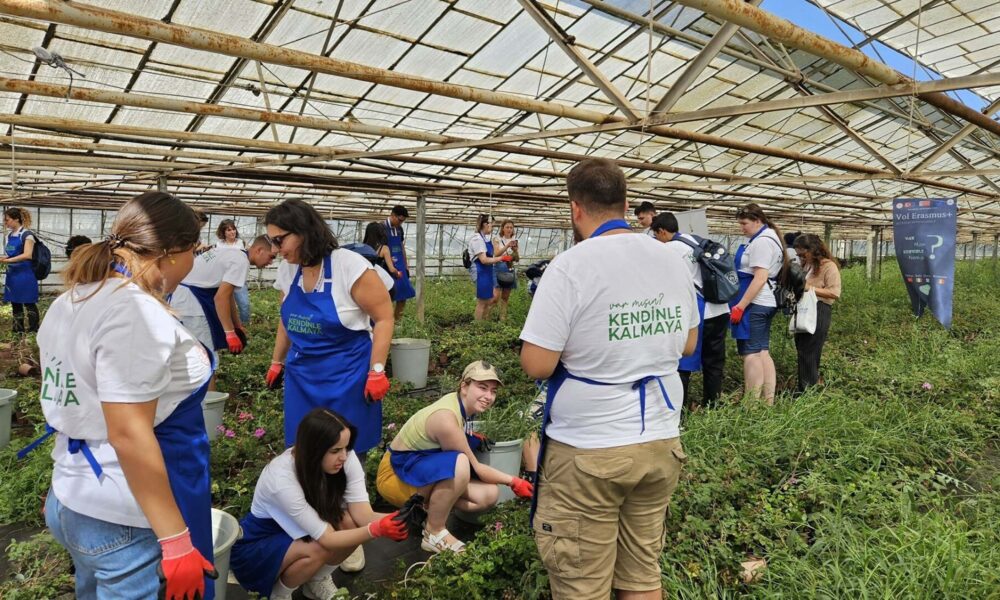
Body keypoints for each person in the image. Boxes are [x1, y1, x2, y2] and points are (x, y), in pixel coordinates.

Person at [520, 158, 698, 600]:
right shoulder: (672, 259)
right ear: (625, 202)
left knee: (582, 583)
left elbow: (537, 363)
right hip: (661, 441)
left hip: (590, 450)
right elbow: (688, 344)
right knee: (641, 574)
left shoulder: (571, 265)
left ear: (575, 208)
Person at [27, 191, 217, 599]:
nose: (194, 262)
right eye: (194, 251)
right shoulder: (134, 314)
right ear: (171, 253)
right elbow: (128, 433)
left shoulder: (74, 298)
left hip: (77, 494)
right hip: (124, 515)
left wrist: (66, 488)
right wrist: (176, 541)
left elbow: (77, 399)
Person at [230, 408, 408, 600]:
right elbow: (328, 539)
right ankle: (279, 595)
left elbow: (363, 515)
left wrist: (400, 517)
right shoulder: (281, 479)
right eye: (335, 451)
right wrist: (376, 529)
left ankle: (317, 580)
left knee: (352, 524)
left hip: (306, 531)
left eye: (346, 447)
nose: (344, 456)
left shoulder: (344, 457)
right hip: (261, 542)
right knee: (318, 548)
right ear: (313, 451)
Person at [265, 199, 393, 454]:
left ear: (303, 232)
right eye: (271, 241)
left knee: (347, 450)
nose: (275, 249)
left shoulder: (349, 265)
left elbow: (384, 318)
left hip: (347, 376)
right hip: (302, 377)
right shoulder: (288, 270)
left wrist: (377, 370)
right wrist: (276, 361)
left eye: (279, 240)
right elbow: (287, 320)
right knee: (306, 448)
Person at [376, 361, 533, 554]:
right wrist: (514, 481)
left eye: (493, 391)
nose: (488, 396)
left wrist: (469, 437)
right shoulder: (446, 418)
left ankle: (428, 512)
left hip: (418, 470)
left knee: (488, 495)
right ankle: (434, 532)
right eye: (482, 387)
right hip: (393, 476)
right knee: (460, 462)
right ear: (464, 386)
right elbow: (476, 468)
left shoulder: (460, 404)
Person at [650, 212, 729, 410]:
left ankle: (681, 410)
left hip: (697, 311)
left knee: (684, 361)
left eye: (656, 235)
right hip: (720, 308)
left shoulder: (670, 249)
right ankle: (712, 407)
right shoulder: (694, 240)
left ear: (661, 231)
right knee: (714, 362)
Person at [168, 239, 259, 376]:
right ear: (259, 250)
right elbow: (221, 298)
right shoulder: (241, 261)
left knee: (187, 352)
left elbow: (228, 295)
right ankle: (206, 389)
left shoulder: (232, 253)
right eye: (271, 257)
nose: (270, 262)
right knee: (206, 360)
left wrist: (237, 325)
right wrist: (230, 333)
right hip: (192, 306)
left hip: (183, 299)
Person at [729, 203, 786, 405]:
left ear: (757, 221)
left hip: (755, 303)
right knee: (762, 351)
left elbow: (760, 277)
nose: (742, 228)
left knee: (750, 354)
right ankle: (767, 402)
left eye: (744, 223)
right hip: (766, 302)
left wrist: (740, 306)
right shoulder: (770, 237)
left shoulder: (762, 242)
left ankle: (751, 405)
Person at [792, 234, 841, 393]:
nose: (801, 257)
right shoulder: (808, 266)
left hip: (819, 310)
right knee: (802, 349)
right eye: (798, 255)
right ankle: (804, 388)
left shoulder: (829, 266)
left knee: (810, 352)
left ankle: (808, 391)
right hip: (804, 309)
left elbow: (834, 293)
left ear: (813, 249)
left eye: (803, 254)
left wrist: (809, 288)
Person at [2, 207, 40, 335]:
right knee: (15, 302)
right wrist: (4, 258)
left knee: (29, 302)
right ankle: (18, 330)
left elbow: (27, 255)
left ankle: (34, 329)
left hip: (25, 274)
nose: (5, 223)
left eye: (7, 220)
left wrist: (7, 261)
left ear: (16, 219)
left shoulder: (27, 235)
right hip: (13, 274)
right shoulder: (10, 235)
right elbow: (14, 254)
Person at [469, 214, 513, 321]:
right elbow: (483, 260)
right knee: (482, 301)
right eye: (491, 225)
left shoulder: (484, 238)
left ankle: (483, 322)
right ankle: (478, 325)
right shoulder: (477, 239)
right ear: (485, 224)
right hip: (480, 271)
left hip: (486, 271)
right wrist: (501, 258)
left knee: (488, 300)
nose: (492, 228)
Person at [216, 218, 252, 325]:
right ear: (223, 232)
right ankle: (227, 325)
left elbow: (249, 257)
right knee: (225, 304)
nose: (232, 232)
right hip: (224, 279)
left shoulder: (241, 243)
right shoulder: (219, 245)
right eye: (228, 230)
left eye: (233, 229)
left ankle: (244, 325)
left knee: (244, 304)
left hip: (239, 279)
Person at [382, 205, 414, 320]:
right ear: (393, 215)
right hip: (386, 266)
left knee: (404, 293)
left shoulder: (399, 229)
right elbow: (380, 249)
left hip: (400, 265)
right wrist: (389, 266)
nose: (401, 223)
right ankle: (387, 321)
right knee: (388, 294)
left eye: (403, 221)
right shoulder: (381, 228)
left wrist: (406, 265)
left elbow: (401, 246)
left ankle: (397, 320)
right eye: (400, 220)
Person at [494, 219, 520, 321]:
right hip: (498, 267)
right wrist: (507, 246)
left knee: (505, 297)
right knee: (495, 296)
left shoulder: (515, 240)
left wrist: (515, 251)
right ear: (502, 228)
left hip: (509, 267)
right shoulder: (497, 239)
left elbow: (517, 259)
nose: (509, 229)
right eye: (507, 227)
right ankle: (487, 316)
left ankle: (502, 318)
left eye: (511, 227)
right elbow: (496, 254)